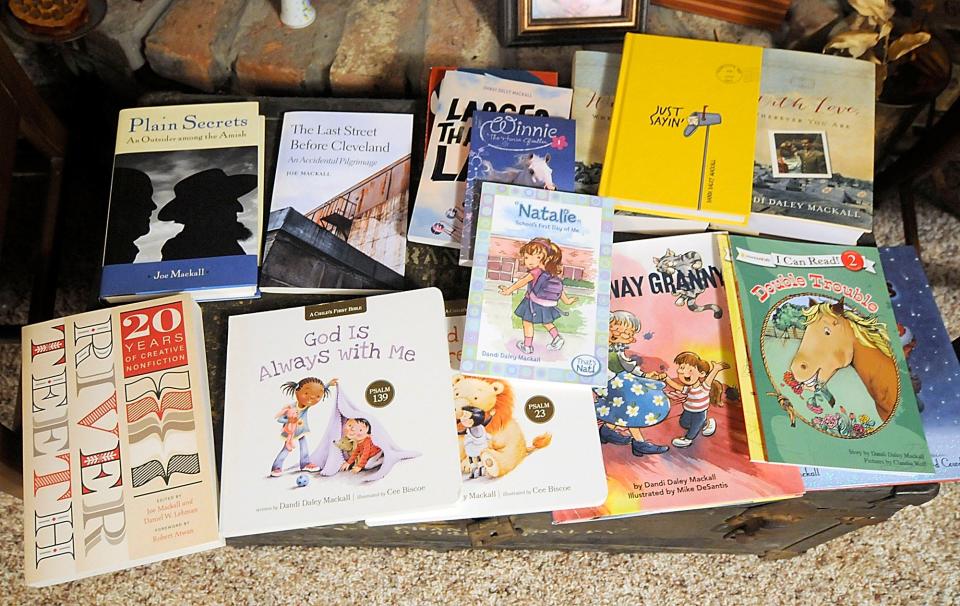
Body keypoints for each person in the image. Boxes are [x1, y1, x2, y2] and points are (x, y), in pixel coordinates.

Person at [594, 310, 671, 457]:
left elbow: (627, 365)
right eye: (623, 332)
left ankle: (607, 431)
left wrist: (644, 375)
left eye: (630, 334)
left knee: (645, 391)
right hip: (608, 383)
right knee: (634, 403)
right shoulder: (598, 348)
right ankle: (639, 443)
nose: (628, 337)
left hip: (621, 379)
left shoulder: (617, 349)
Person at [497, 237, 577, 354]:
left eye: (537, 257)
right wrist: (567, 301)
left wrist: (509, 290)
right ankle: (557, 338)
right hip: (547, 304)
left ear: (546, 258)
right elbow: (559, 289)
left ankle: (527, 346)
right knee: (547, 322)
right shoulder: (552, 273)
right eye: (527, 257)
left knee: (527, 322)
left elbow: (522, 281)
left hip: (532, 302)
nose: (530, 260)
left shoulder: (535, 272)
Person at [270, 377, 336, 477]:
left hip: (301, 431)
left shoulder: (306, 405)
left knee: (304, 447)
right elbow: (280, 419)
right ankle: (276, 467)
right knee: (286, 449)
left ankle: (305, 464)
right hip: (290, 433)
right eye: (306, 394)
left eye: (317, 396)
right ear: (297, 391)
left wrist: (328, 385)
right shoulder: (291, 408)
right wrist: (289, 420)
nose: (311, 398)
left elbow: (321, 389)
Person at [663, 352, 728, 448]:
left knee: (694, 427)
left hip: (700, 412)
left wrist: (716, 368)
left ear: (701, 374)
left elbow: (710, 377)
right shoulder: (688, 388)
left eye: (689, 370)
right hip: (688, 410)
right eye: (681, 368)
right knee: (683, 423)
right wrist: (666, 379)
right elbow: (677, 386)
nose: (682, 372)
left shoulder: (704, 387)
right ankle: (706, 423)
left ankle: (688, 439)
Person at [458, 406, 491, 479]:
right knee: (478, 457)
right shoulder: (480, 428)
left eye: (465, 416)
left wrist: (466, 442)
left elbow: (469, 438)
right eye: (463, 415)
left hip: (472, 448)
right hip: (480, 447)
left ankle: (475, 469)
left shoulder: (472, 430)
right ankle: (480, 468)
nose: (462, 418)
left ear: (472, 420)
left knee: (472, 458)